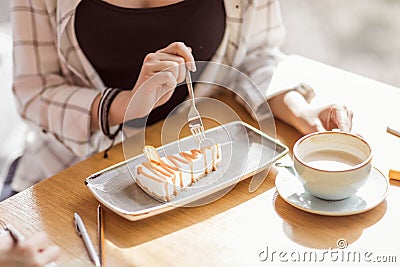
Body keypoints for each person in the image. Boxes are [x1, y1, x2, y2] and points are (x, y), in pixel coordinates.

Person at [2, 0, 353, 199]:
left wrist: (298, 108)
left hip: (201, 185)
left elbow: (257, 55)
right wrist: (124, 105)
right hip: (62, 179)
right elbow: (36, 92)